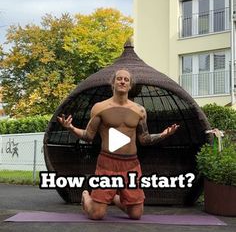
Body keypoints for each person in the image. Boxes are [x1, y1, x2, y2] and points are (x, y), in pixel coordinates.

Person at [57, 68, 179, 220]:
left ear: (130, 86)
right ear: (113, 83)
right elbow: (88, 136)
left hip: (131, 165)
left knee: (136, 214)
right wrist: (70, 127)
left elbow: (144, 139)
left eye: (126, 80)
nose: (122, 81)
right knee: (97, 214)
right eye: (119, 78)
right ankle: (86, 196)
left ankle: (113, 197)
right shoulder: (100, 108)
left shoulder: (140, 111)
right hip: (107, 163)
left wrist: (163, 134)